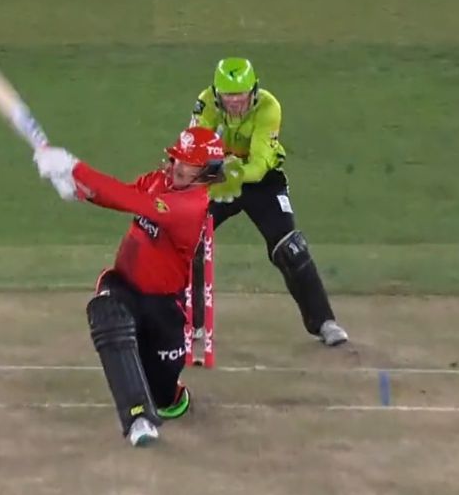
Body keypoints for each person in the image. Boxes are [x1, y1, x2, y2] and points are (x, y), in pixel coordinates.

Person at [32, 127, 226, 447]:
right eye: (177, 157)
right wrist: (79, 190)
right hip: (124, 286)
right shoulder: (156, 181)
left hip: (163, 308)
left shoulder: (192, 206)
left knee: (163, 396)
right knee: (107, 313)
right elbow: (120, 194)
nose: (178, 166)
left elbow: (137, 203)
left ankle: (169, 397)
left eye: (189, 163)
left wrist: (74, 167)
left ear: (208, 171)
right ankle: (137, 419)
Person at [187, 57, 348, 347]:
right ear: (216, 94)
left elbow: (260, 164)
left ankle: (324, 322)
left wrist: (234, 173)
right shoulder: (205, 103)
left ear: (254, 92)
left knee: (291, 248)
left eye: (241, 95)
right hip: (220, 178)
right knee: (188, 240)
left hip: (261, 182)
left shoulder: (268, 107)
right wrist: (212, 172)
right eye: (228, 95)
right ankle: (193, 323)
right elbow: (194, 151)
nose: (235, 102)